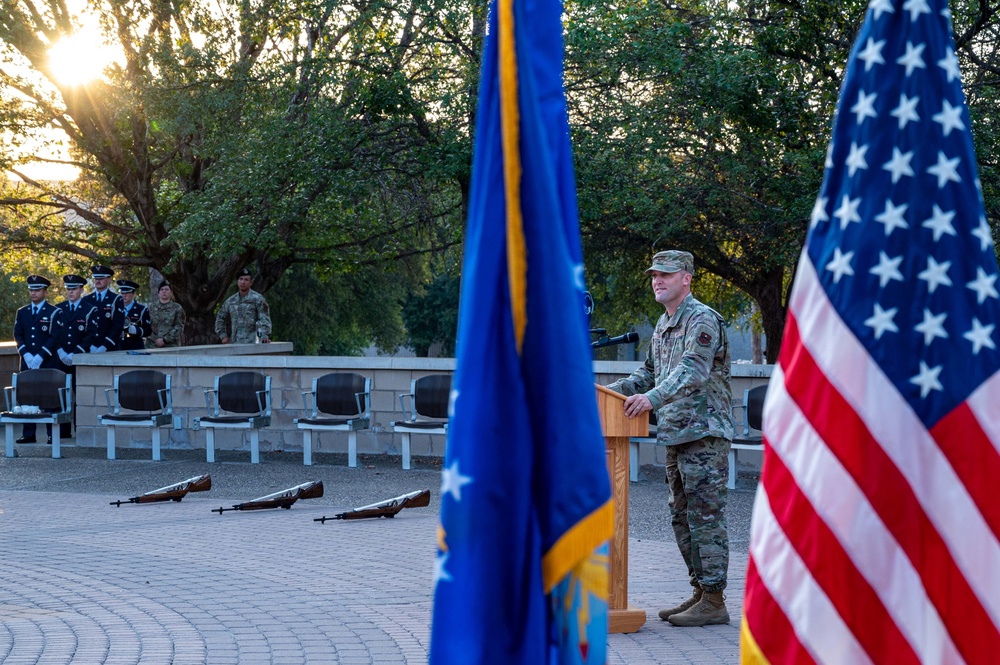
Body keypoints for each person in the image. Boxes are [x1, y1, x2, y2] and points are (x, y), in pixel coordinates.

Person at [606, 250, 735, 627]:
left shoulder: (703, 320)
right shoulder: (664, 325)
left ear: (686, 278)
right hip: (676, 434)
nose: (657, 280)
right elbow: (648, 374)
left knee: (705, 518)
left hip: (704, 435)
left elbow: (691, 372)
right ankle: (700, 591)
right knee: (681, 517)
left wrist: (651, 399)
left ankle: (714, 598)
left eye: (666, 274)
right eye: (654, 275)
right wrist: (607, 392)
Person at [50, 274, 100, 438]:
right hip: (61, 358)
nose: (70, 292)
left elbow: (91, 335)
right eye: (68, 289)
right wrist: (60, 351)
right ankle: (63, 431)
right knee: (61, 395)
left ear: (81, 289)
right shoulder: (59, 308)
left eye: (74, 289)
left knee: (80, 394)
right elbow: (54, 333)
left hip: (79, 358)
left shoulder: (89, 309)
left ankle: (80, 430)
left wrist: (74, 352)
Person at [12, 275, 58, 443]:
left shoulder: (54, 312)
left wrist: (40, 356)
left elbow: (54, 337)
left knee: (48, 396)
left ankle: (51, 434)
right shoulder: (22, 312)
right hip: (27, 360)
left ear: (45, 291)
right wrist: (26, 354)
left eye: (37, 290)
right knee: (27, 396)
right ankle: (29, 434)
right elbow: (18, 334)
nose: (33, 293)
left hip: (45, 360)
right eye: (31, 290)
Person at [215, 268, 272, 344]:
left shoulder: (258, 299)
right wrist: (223, 335)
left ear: (251, 283)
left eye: (246, 280)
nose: (243, 282)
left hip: (253, 344)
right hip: (235, 344)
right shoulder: (231, 301)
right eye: (240, 279)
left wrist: (264, 336)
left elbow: (264, 320)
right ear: (237, 282)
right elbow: (220, 317)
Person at [82, 264, 125, 352]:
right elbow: (84, 324)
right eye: (96, 278)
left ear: (108, 279)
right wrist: (89, 344)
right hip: (90, 347)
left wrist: (105, 346)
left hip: (110, 348)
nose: (98, 281)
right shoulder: (86, 299)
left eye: (101, 278)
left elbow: (118, 325)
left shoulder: (116, 299)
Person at [147, 281, 185, 348]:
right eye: (161, 290)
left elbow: (179, 326)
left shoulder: (177, 308)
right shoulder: (151, 307)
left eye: (167, 289)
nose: (164, 291)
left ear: (171, 292)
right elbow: (146, 324)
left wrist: (165, 340)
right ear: (158, 293)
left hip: (170, 345)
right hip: (152, 344)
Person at [116, 280, 152, 350]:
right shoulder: (115, 308)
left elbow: (148, 330)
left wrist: (137, 330)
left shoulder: (141, 309)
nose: (124, 295)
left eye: (127, 292)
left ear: (134, 293)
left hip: (135, 346)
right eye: (122, 293)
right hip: (118, 345)